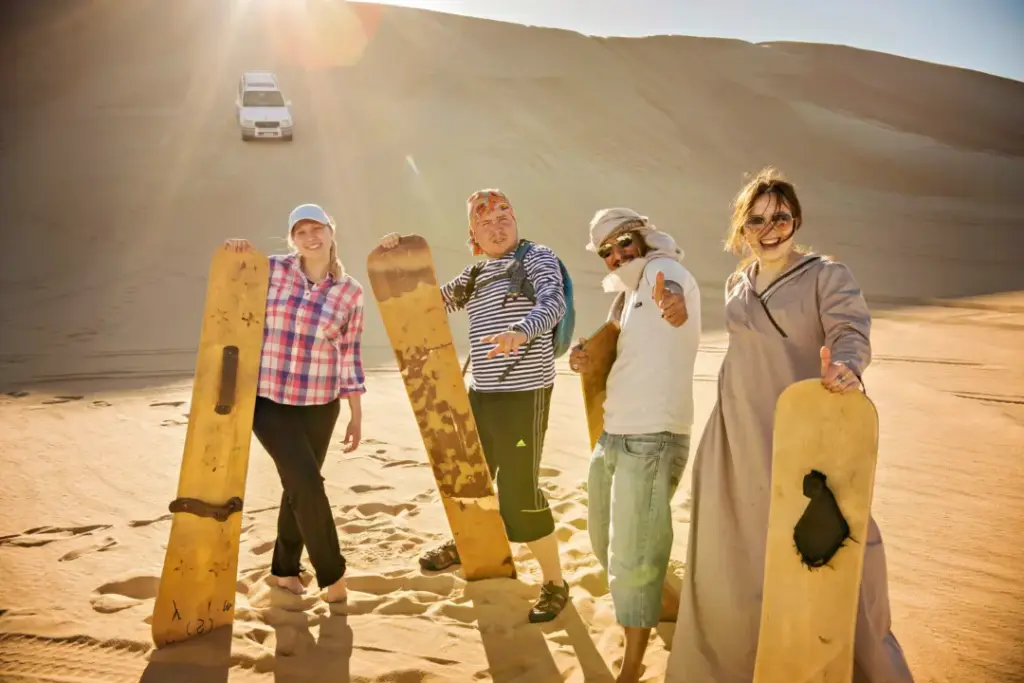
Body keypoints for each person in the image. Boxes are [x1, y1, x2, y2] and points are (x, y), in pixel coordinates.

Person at [665, 168, 915, 682]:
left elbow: (850, 327)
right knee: (739, 555)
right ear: (742, 229)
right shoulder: (738, 282)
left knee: (839, 556)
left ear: (795, 218)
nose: (770, 228)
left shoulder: (826, 274)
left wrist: (847, 364)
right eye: (756, 220)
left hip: (802, 438)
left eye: (780, 216)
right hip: (737, 435)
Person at [377, 188, 570, 623]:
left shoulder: (537, 257)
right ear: (474, 234)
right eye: (485, 223)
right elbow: (426, 302)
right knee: (473, 476)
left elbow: (553, 302)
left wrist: (521, 331)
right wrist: (397, 257)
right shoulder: (476, 273)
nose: (497, 227)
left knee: (520, 491)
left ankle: (556, 582)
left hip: (526, 395)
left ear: (515, 220)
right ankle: (466, 545)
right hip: (482, 394)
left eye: (504, 217)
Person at [568, 208, 701, 683]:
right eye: (606, 250)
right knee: (605, 542)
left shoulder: (667, 273)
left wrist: (675, 306)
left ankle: (632, 667)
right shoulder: (623, 298)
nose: (617, 254)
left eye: (624, 241)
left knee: (633, 555)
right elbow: (614, 356)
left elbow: (677, 302)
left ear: (642, 237)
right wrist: (584, 359)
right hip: (612, 434)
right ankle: (662, 603)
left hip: (653, 436)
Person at [224, 202, 366, 605]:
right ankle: (333, 576)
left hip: (321, 402)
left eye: (316, 228)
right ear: (292, 239)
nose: (310, 237)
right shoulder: (272, 270)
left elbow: (350, 354)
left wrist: (355, 412)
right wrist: (236, 256)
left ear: (331, 230)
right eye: (300, 232)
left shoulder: (350, 292)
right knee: (307, 483)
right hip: (268, 401)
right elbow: (230, 292)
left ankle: (285, 572)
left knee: (297, 487)